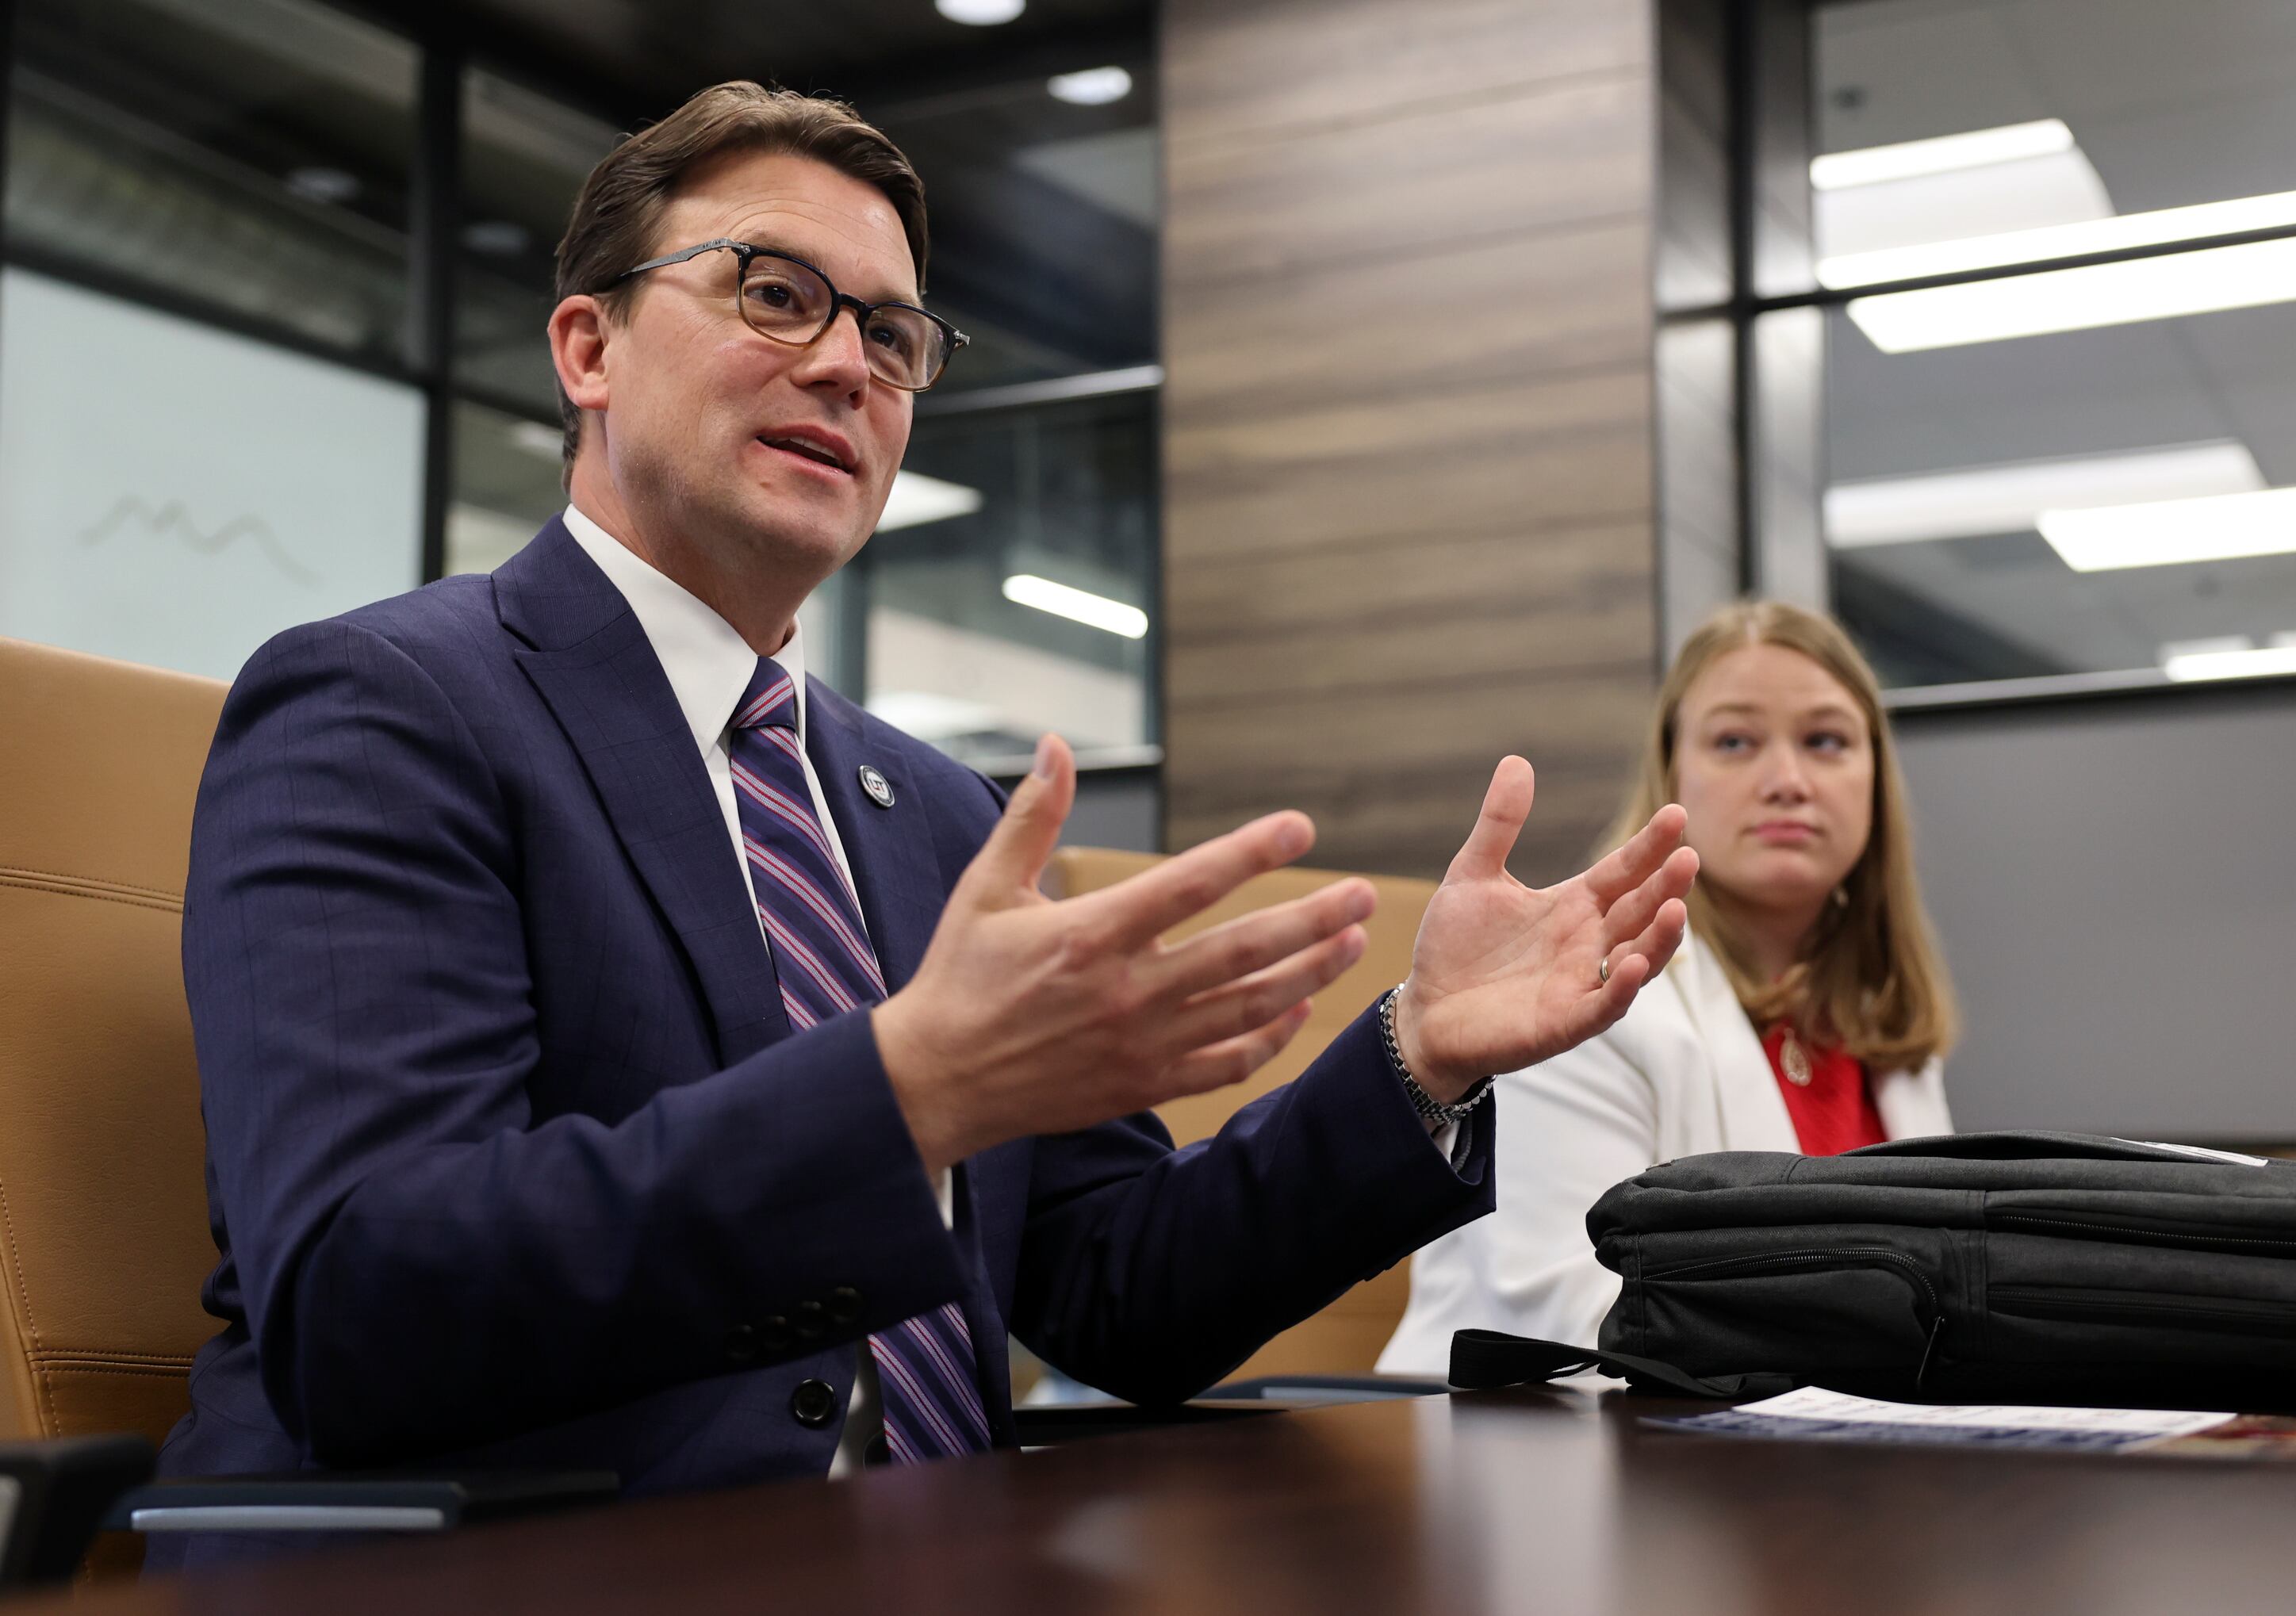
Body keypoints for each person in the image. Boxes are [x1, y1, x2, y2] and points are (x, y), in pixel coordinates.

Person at [156, 82, 1698, 1562]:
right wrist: (902, 1093)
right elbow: (366, 1297)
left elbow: (1117, 1293)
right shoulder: (383, 705)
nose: (847, 367)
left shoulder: (938, 813)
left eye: (892, 336)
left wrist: (1414, 1057)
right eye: (773, 293)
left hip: (941, 1560)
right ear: (588, 346)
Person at [1378, 600, 1957, 1375]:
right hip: (1537, 1455)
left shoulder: (1884, 1037)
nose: (1787, 780)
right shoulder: (1587, 997)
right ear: (1671, 773)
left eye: (1825, 741)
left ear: (1876, 780)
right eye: (1734, 741)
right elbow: (1576, 1321)